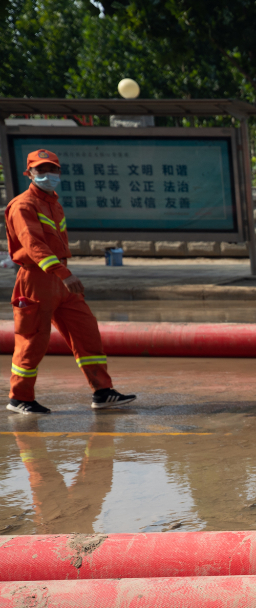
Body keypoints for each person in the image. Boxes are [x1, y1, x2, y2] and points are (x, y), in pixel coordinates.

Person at [6, 148, 135, 414]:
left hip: (59, 278)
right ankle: (20, 398)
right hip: (37, 279)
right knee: (33, 340)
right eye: (41, 170)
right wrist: (64, 274)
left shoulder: (52, 201)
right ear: (29, 173)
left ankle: (102, 392)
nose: (48, 174)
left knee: (86, 331)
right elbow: (32, 244)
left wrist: (63, 273)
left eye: (52, 169)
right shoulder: (23, 205)